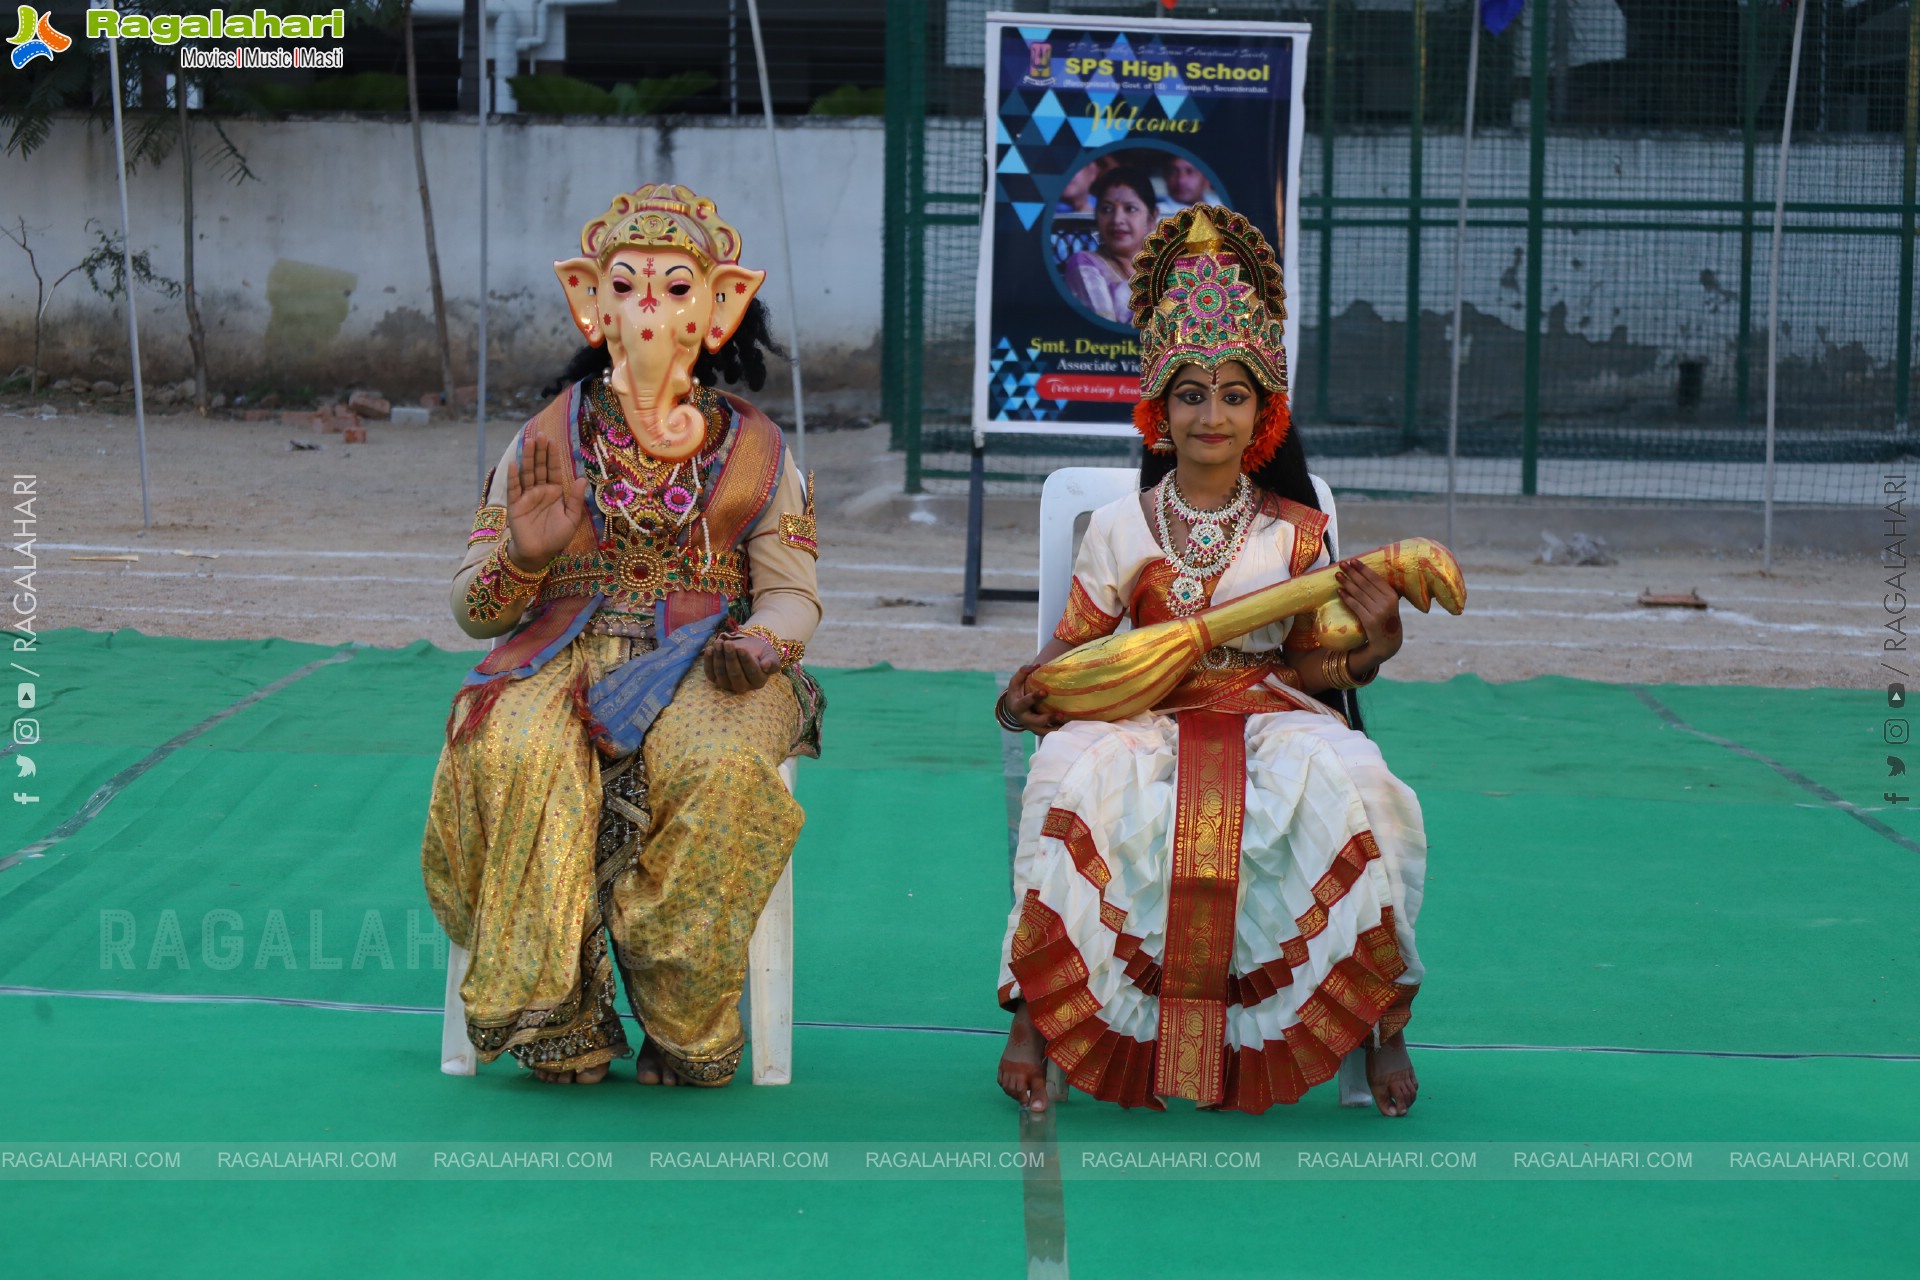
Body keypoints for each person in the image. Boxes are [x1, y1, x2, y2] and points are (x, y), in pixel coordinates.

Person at [995, 205, 1428, 1116]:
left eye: (1234, 393)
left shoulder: (1299, 532)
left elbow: (1317, 668)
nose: (1212, 413)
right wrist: (1030, 687)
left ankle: (1383, 1023)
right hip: (1145, 714)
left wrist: (1376, 647)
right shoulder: (1119, 526)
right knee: (1065, 775)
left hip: (1272, 712)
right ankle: (1037, 1011)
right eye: (1191, 392)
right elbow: (1075, 643)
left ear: (1263, 413)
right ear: (1159, 408)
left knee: (1368, 783)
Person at [420, 184, 824, 1089]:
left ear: (720, 308)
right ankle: (557, 1018)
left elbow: (795, 598)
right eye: (629, 286)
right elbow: (475, 610)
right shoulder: (546, 439)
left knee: (720, 773)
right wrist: (524, 558)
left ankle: (685, 1023)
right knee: (513, 749)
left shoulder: (757, 451)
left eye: (678, 288)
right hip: (561, 654)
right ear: (588, 300)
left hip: (711, 666)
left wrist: (763, 647)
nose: (650, 306)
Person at [1060, 167, 1157, 323]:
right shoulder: (1084, 264)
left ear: (1152, 218)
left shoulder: (1166, 269)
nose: (1117, 219)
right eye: (1107, 209)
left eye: (1130, 209)